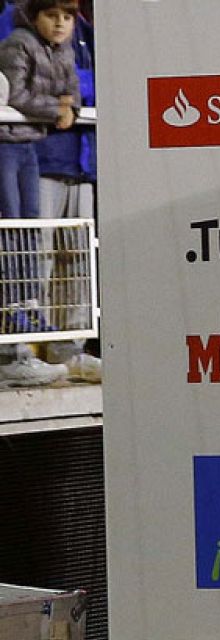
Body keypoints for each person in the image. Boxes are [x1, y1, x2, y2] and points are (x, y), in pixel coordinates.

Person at [0, 0, 79, 386]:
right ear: (35, 16)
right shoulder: (17, 42)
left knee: (30, 234)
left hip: (28, 145)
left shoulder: (64, 49)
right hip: (5, 146)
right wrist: (56, 108)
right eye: (53, 15)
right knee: (10, 233)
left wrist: (70, 109)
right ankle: (11, 340)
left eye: (67, 16)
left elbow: (73, 96)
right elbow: (13, 95)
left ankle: (28, 316)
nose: (61, 23)